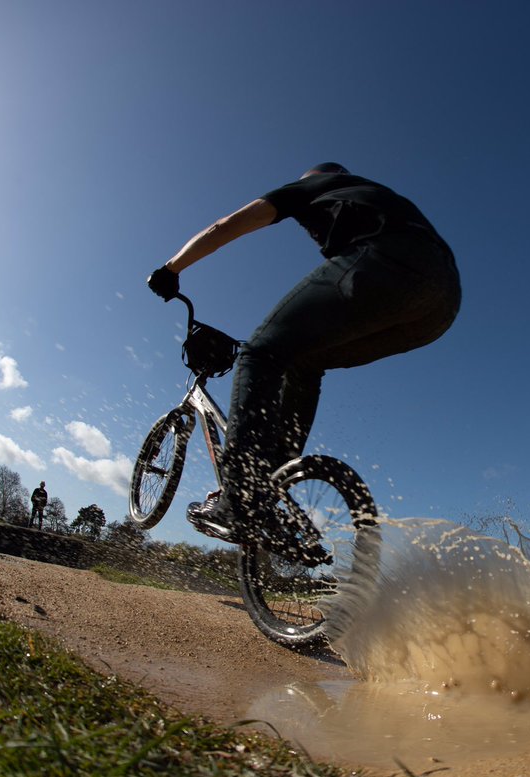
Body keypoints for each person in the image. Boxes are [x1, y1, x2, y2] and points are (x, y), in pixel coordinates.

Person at [147, 162, 461, 542]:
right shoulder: (372, 199)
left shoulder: (314, 187)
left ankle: (239, 497)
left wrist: (171, 268)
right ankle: (267, 488)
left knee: (259, 353)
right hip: (440, 306)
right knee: (305, 362)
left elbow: (224, 225)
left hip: (389, 262)